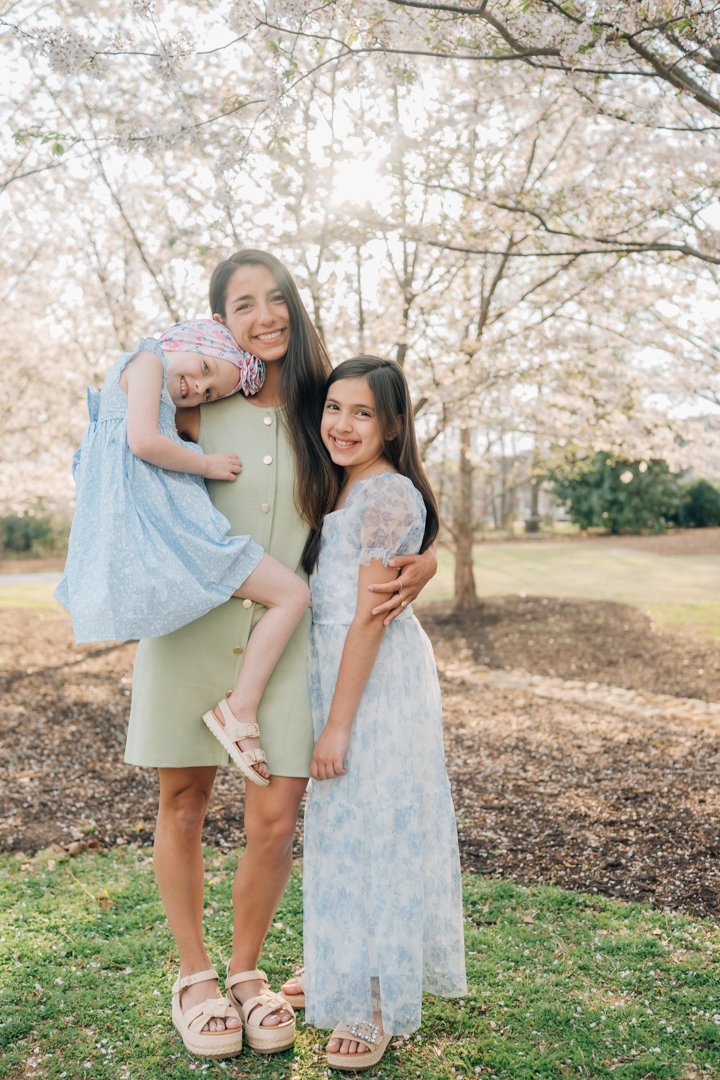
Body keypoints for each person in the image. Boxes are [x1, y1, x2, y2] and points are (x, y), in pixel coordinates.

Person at [124, 251, 438, 1059]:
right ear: (216, 321)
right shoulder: (193, 399)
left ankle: (246, 973)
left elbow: (378, 490)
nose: (263, 316)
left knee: (273, 820)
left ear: (295, 310)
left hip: (285, 640)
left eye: (276, 300)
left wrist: (427, 555)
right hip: (191, 623)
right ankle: (194, 977)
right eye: (242, 304)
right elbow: (127, 447)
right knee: (184, 802)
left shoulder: (316, 407)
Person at [296, 355, 467, 1070]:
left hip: (372, 683)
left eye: (362, 413)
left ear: (392, 425)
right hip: (332, 671)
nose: (342, 424)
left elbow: (368, 619)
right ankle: (341, 960)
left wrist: (338, 722)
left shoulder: (387, 496)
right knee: (342, 822)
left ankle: (375, 997)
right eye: (335, 408)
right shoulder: (338, 490)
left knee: (378, 824)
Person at [56, 318, 310, 788]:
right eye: (206, 367)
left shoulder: (156, 394)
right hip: (181, 538)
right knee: (293, 595)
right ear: (186, 343)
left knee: (288, 594)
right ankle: (240, 709)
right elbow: (143, 442)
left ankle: (238, 707)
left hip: (166, 537)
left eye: (211, 393)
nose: (200, 387)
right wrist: (206, 463)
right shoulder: (149, 358)